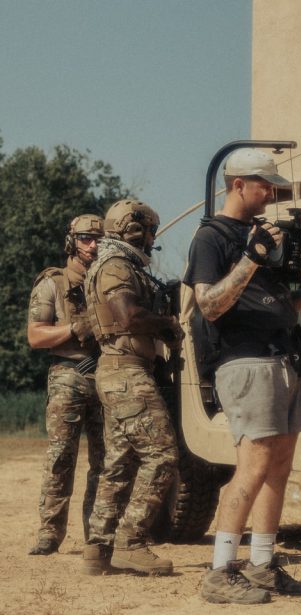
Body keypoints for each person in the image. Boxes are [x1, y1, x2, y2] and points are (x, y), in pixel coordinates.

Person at [184, 148, 301, 604]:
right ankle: (219, 572)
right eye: (264, 184)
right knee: (252, 467)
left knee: (278, 467)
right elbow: (210, 305)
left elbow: (267, 304)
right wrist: (251, 258)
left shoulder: (259, 235)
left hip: (282, 358)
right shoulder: (212, 238)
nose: (271, 193)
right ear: (238, 184)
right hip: (245, 362)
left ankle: (261, 564)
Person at [81, 199, 182, 576]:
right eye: (150, 231)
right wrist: (167, 325)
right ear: (133, 230)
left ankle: (98, 549)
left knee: (119, 464)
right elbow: (127, 315)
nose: (153, 240)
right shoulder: (117, 265)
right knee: (162, 456)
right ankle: (131, 541)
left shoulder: (112, 263)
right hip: (127, 373)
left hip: (121, 372)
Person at [26, 214, 106, 555]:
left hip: (106, 374)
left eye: (98, 239)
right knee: (61, 457)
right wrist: (75, 329)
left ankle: (99, 534)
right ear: (71, 241)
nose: (92, 244)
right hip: (68, 374)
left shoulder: (110, 279)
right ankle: (49, 533)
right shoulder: (53, 283)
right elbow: (35, 336)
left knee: (107, 461)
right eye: (86, 238)